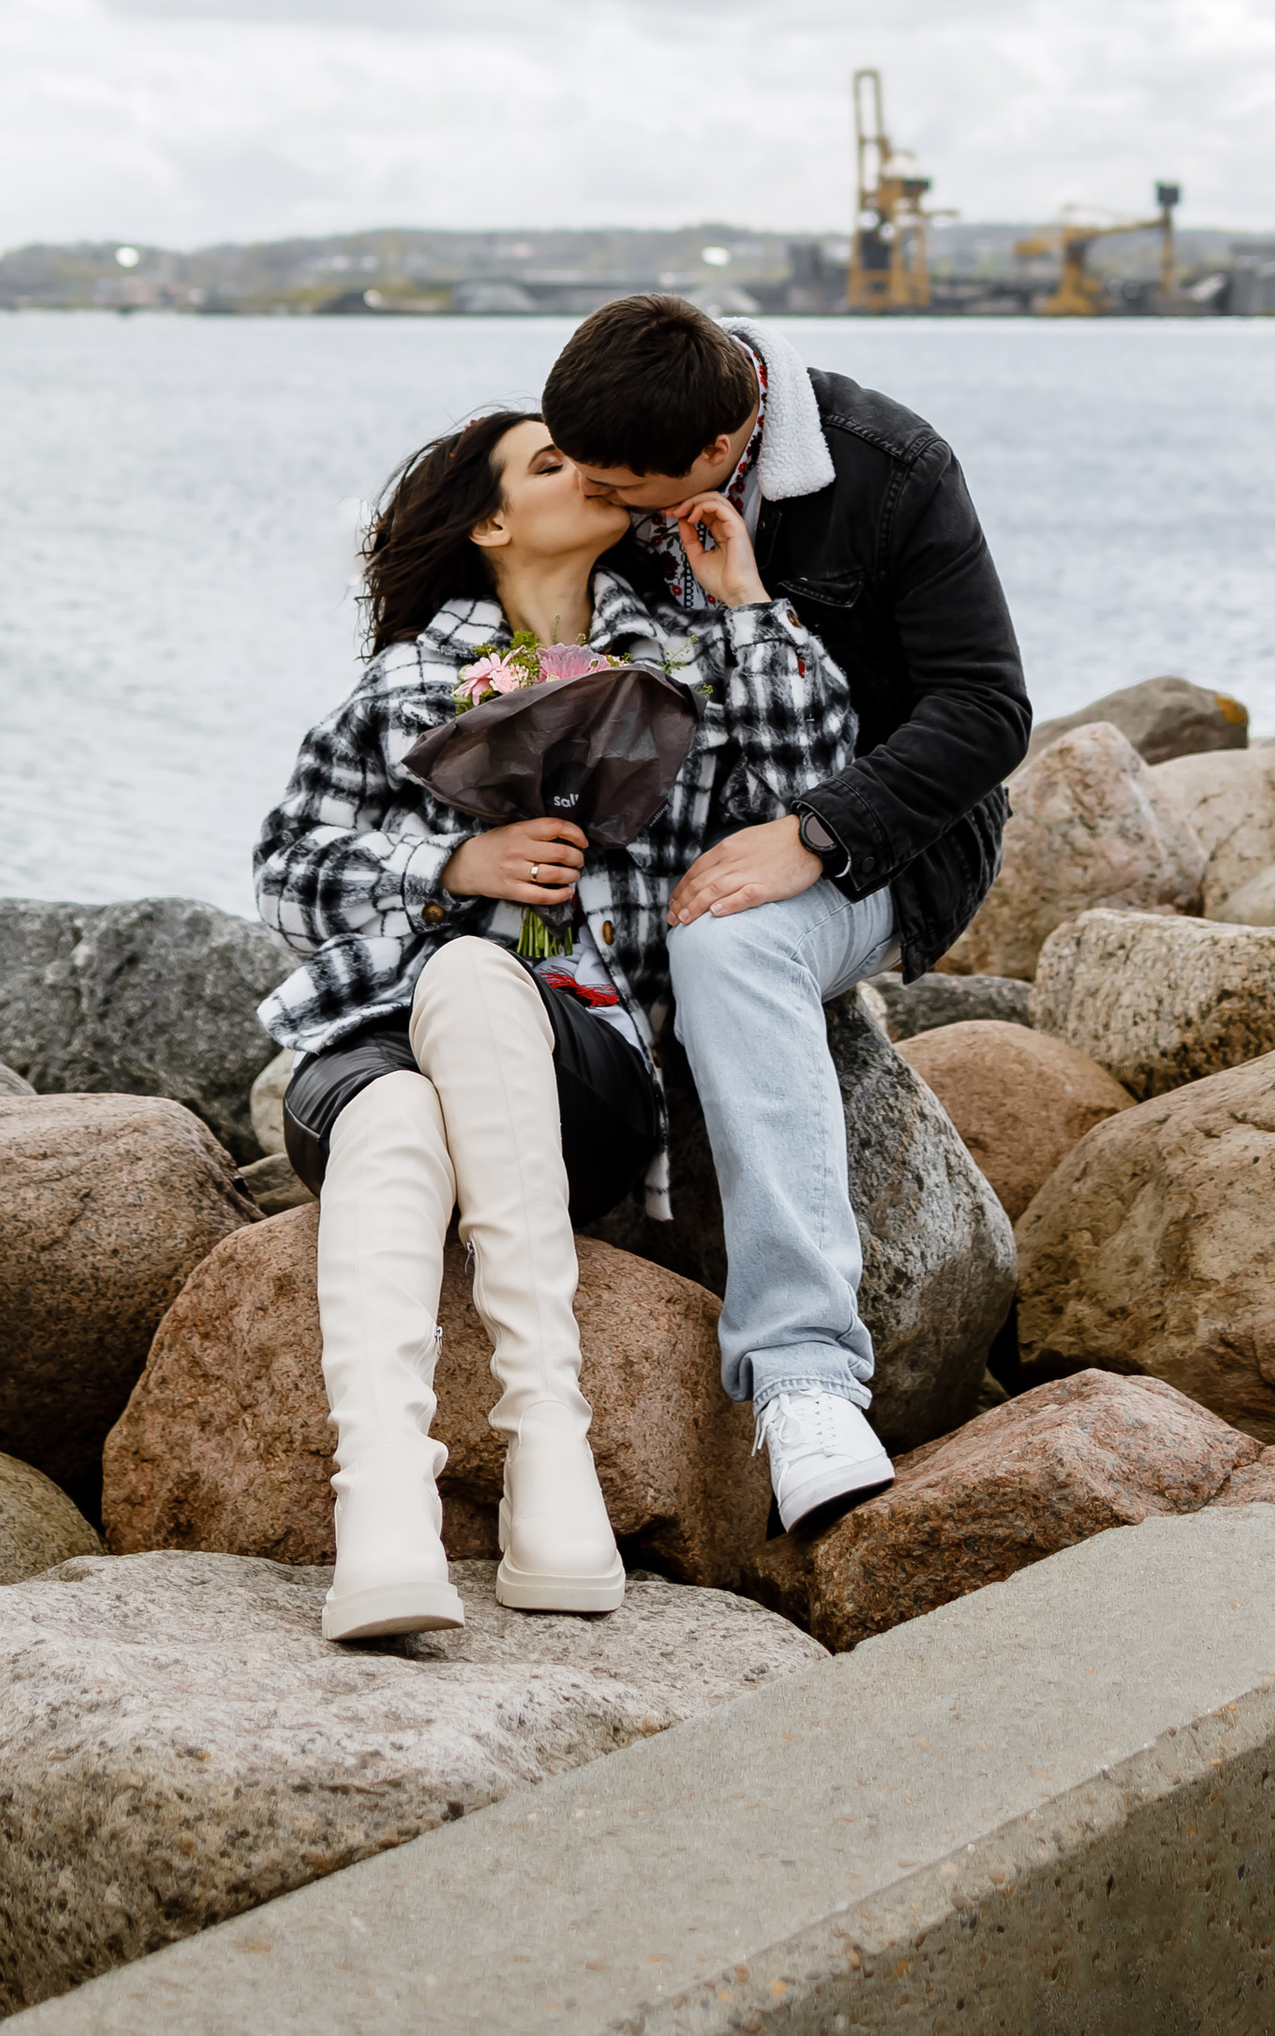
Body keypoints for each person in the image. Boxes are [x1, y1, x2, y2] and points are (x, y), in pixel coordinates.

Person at [254, 405, 858, 1645]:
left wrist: (741, 596)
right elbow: (281, 870)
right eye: (548, 465)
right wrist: (454, 861)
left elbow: (811, 794)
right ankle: (418, 1526)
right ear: (489, 523)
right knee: (396, 1097)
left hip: (583, 1073)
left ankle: (514, 1466)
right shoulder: (406, 679)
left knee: (477, 995)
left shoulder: (683, 659)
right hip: (374, 1041)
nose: (586, 473)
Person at [539, 294, 1029, 1537]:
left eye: (622, 490)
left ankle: (806, 1379)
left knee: (726, 937)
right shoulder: (625, 420)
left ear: (723, 446)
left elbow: (984, 714)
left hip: (885, 846)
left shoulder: (892, 469)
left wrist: (816, 833)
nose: (597, 503)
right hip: (649, 837)